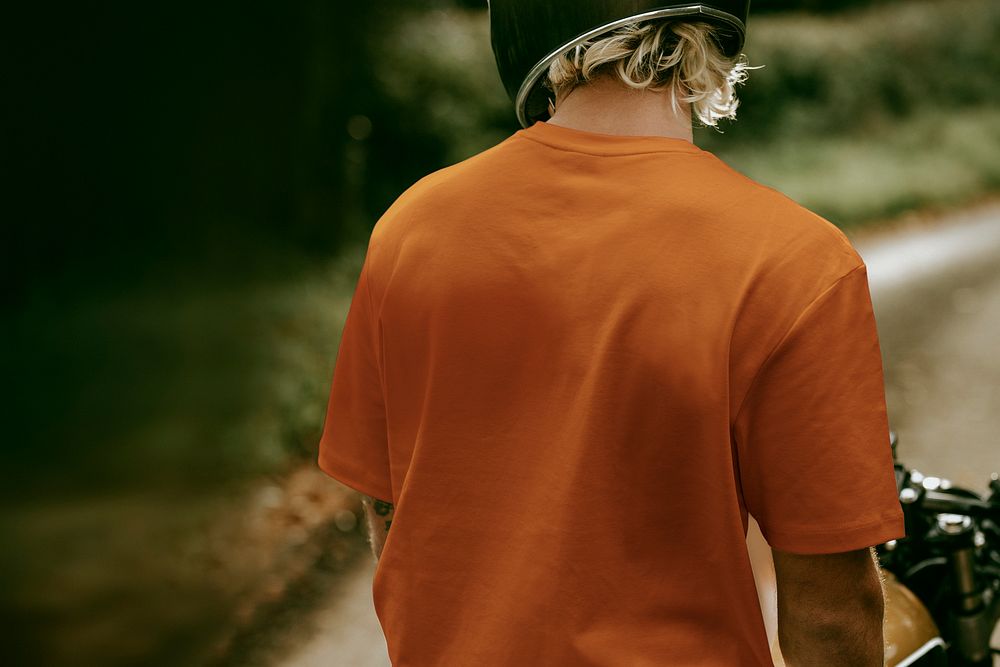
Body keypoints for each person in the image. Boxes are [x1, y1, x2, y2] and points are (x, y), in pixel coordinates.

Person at [317, 2, 906, 665]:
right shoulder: (796, 260)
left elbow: (386, 509)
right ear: (713, 28)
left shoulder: (410, 228)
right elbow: (830, 609)